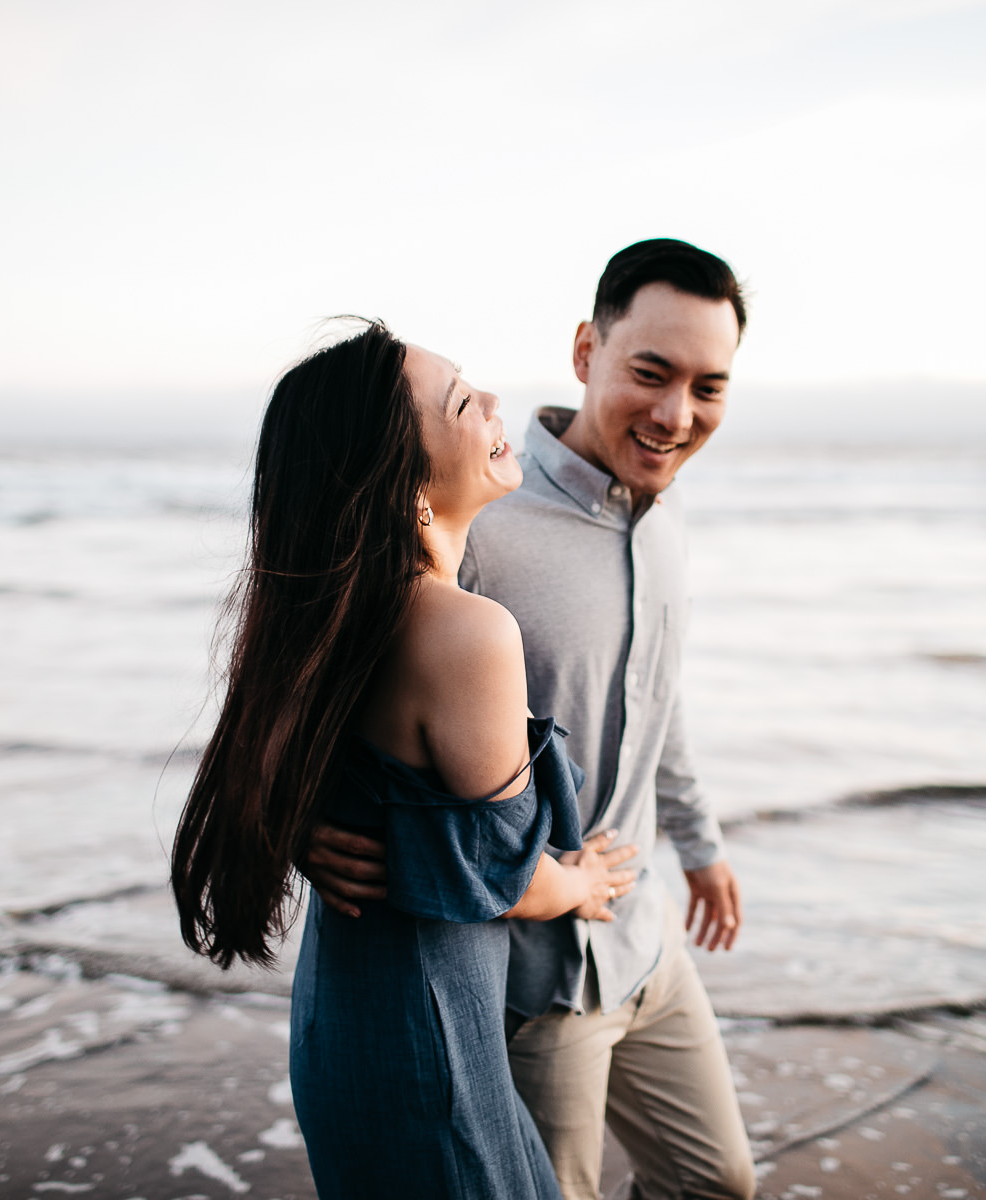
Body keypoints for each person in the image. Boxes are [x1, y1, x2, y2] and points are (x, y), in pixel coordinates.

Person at [305, 240, 757, 1200]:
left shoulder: (664, 520)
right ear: (588, 351)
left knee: (719, 1182)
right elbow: (330, 682)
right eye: (651, 372)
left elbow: (656, 704)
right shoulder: (473, 508)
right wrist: (301, 820)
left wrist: (702, 844)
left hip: (644, 933)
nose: (677, 415)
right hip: (533, 978)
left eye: (708, 387)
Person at [170, 320, 644, 1200]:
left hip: (345, 1025)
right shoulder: (467, 631)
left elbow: (283, 770)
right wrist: (583, 884)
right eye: (463, 401)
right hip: (432, 1050)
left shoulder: (334, 618)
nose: (496, 402)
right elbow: (498, 877)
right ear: (403, 486)